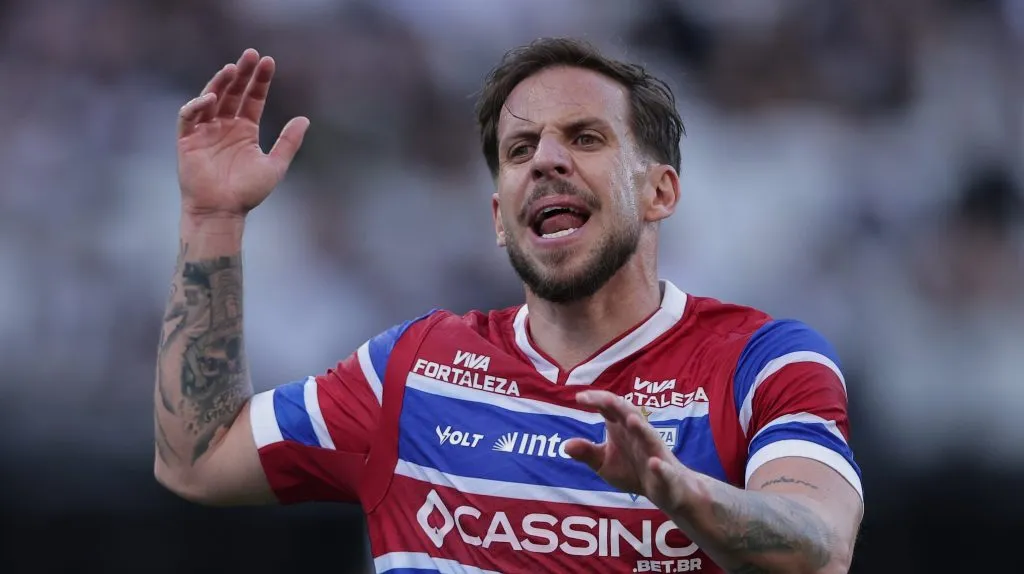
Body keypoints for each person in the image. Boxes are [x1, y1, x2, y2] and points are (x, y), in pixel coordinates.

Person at [155, 38, 863, 574]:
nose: (546, 160)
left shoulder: (759, 363)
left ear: (660, 193)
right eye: (520, 148)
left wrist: (686, 496)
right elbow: (199, 459)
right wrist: (213, 219)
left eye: (585, 137)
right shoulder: (411, 370)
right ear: (500, 218)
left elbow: (821, 545)